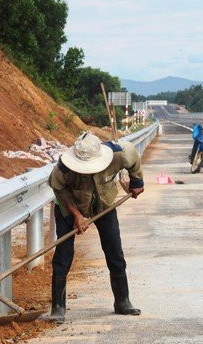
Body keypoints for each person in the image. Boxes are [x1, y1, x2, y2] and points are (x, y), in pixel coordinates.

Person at [48, 132, 145, 322]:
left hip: (103, 203)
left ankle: (122, 301)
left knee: (114, 249)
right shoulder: (63, 168)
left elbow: (133, 157)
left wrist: (137, 182)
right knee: (63, 253)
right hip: (69, 205)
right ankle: (58, 307)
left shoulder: (119, 154)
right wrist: (76, 215)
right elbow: (57, 187)